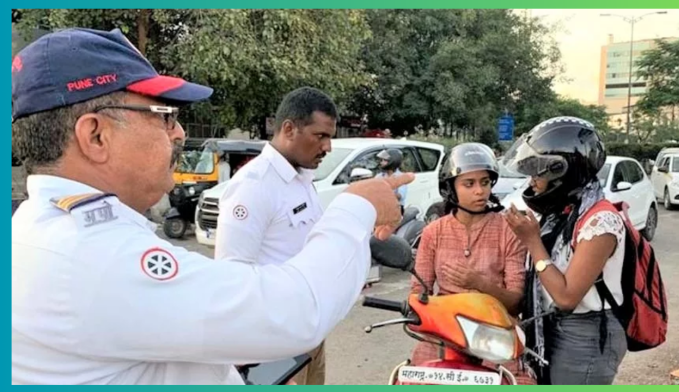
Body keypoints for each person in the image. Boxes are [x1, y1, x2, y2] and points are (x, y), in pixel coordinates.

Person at [11, 27, 413, 385]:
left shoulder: (60, 230)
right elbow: (291, 312)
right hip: (270, 340)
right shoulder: (89, 253)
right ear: (96, 135)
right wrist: (356, 208)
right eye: (165, 115)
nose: (180, 132)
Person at [214, 86, 337, 385]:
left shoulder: (302, 178)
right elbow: (233, 275)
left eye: (330, 137)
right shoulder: (254, 186)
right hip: (273, 343)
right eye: (320, 136)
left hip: (309, 335)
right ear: (289, 129)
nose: (328, 147)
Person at [502, 116, 628, 385]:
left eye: (539, 172)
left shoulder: (600, 222)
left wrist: (533, 242)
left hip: (587, 333)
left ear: (564, 172)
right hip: (556, 326)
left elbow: (567, 297)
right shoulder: (563, 212)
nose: (532, 181)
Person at [409, 143, 528, 379]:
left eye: (485, 183)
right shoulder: (434, 232)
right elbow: (417, 293)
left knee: (519, 381)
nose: (479, 192)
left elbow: (516, 303)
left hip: (494, 336)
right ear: (450, 188)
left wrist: (479, 283)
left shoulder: (508, 230)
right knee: (412, 378)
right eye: (469, 184)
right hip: (442, 333)